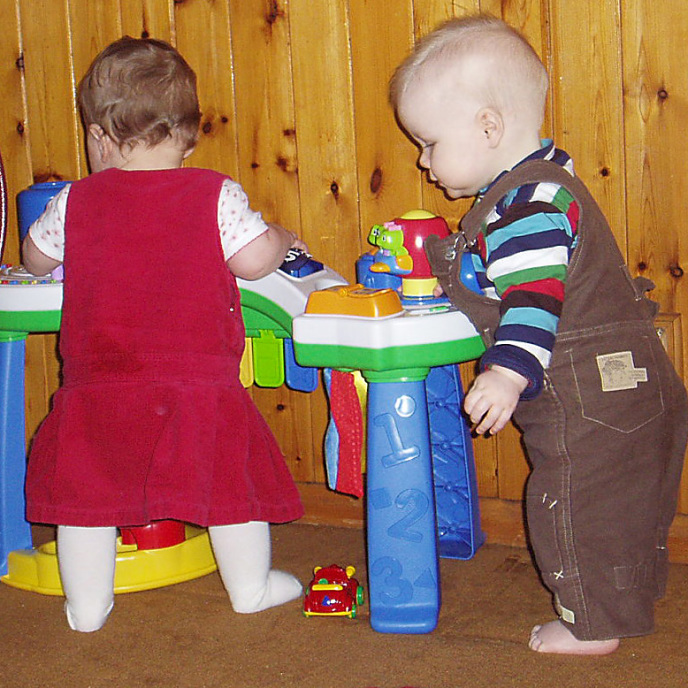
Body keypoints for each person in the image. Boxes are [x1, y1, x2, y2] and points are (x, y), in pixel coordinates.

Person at [389, 15, 688, 655]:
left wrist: (506, 372)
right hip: (625, 389)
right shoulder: (548, 185)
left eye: (429, 143)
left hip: (590, 398)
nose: (422, 161)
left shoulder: (523, 208)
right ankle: (624, 594)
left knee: (572, 504)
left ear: (488, 128)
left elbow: (532, 300)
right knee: (620, 506)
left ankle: (592, 625)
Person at [22, 36, 307, 633]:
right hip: (198, 382)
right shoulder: (216, 193)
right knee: (228, 484)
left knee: (87, 498)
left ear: (99, 137)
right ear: (189, 137)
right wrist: (283, 236)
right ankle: (250, 588)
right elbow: (255, 260)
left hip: (98, 385)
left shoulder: (74, 201)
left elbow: (35, 258)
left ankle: (87, 607)